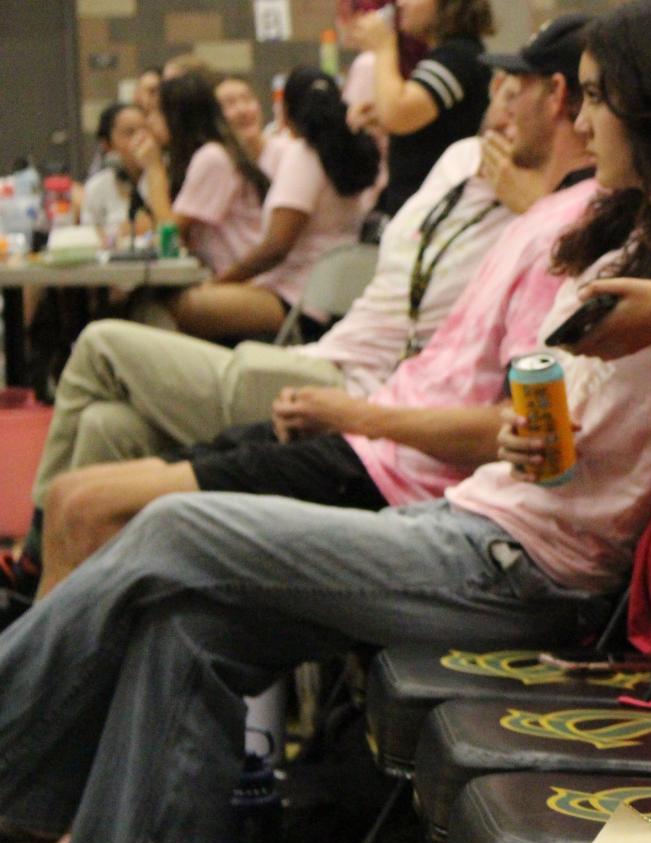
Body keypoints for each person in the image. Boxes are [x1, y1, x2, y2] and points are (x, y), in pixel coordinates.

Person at [0, 3, 651, 843]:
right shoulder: (630, 224)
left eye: (596, 97)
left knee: (172, 527)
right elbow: (568, 439)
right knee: (187, 626)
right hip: (477, 524)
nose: (582, 119)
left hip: (522, 573)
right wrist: (527, 434)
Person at [28, 22, 591, 600]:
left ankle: (35, 568)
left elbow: (264, 243)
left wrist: (356, 414)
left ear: (556, 99)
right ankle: (54, 598)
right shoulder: (461, 166)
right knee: (106, 426)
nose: (500, 102)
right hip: (344, 374)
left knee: (105, 342)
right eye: (496, 87)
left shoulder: (561, 224)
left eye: (513, 86)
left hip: (363, 406)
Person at [155, 68, 382, 342]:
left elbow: (275, 248)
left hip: (298, 300)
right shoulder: (343, 152)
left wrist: (219, 283)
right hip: (326, 295)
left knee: (175, 307)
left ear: (284, 112)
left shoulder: (303, 156)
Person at [351, 0, 494, 214]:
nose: (400, 4)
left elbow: (397, 114)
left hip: (436, 219)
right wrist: (379, 114)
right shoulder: (451, 54)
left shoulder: (456, 57)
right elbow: (425, 120)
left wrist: (383, 47)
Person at [136, 72, 274, 279]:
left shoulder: (212, 157)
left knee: (148, 303)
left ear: (176, 117)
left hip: (247, 281)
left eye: (156, 113)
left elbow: (169, 237)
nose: (149, 123)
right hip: (231, 276)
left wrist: (154, 170)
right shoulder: (207, 155)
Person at [79, 105, 151, 249]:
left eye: (146, 130)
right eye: (130, 132)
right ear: (107, 144)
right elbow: (89, 235)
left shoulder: (161, 180)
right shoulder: (97, 186)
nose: (140, 139)